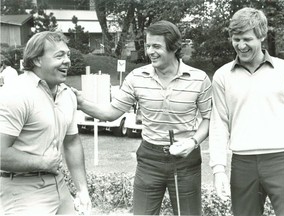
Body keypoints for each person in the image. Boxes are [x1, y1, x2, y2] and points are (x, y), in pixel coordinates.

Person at [73, 20, 212, 215]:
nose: (150, 52)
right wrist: (81, 103)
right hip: (150, 159)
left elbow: (208, 119)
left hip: (186, 160)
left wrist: (193, 142)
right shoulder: (136, 77)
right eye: (148, 46)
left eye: (156, 46)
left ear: (174, 47)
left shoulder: (200, 79)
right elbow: (111, 113)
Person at [0, 31, 91, 215]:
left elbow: (71, 142)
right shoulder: (16, 93)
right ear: (36, 60)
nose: (67, 61)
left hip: (58, 186)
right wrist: (42, 163)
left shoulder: (67, 94)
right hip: (21, 192)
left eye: (68, 55)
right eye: (59, 56)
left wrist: (82, 190)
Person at [209, 7, 284, 216]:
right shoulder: (222, 76)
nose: (241, 46)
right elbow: (218, 123)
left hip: (282, 160)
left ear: (261, 36)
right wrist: (218, 169)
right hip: (243, 164)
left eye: (247, 39)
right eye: (236, 39)